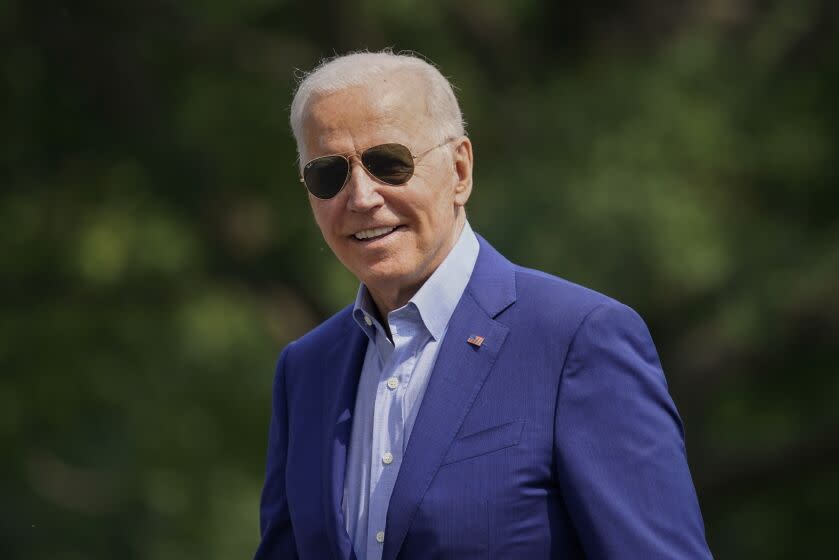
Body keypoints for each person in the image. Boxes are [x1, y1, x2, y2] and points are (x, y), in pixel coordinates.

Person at [255, 50, 712, 560]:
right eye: (329, 175)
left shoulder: (576, 340)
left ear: (459, 170)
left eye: (389, 163)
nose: (361, 196)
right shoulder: (305, 371)